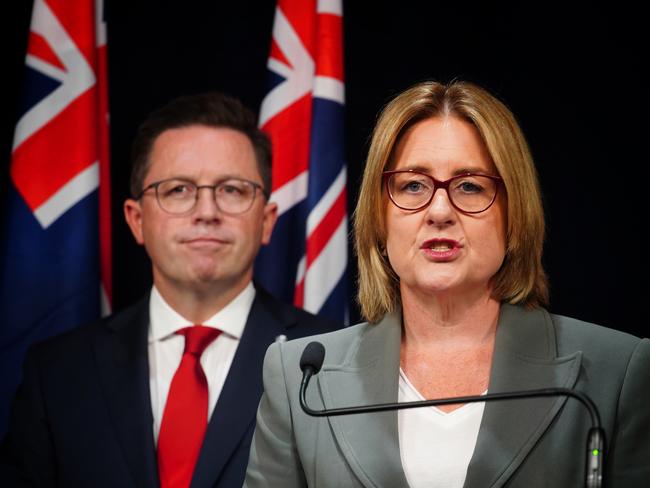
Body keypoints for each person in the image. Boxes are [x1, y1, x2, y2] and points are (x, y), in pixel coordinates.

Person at [244, 80, 650, 487]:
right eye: (413, 185)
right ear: (380, 218)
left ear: (515, 214)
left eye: (470, 186)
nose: (440, 211)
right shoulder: (299, 379)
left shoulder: (616, 373)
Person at [0, 92, 340, 487]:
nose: (207, 211)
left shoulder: (333, 359)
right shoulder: (58, 372)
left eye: (232, 189)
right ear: (136, 219)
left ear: (266, 221)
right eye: (178, 189)